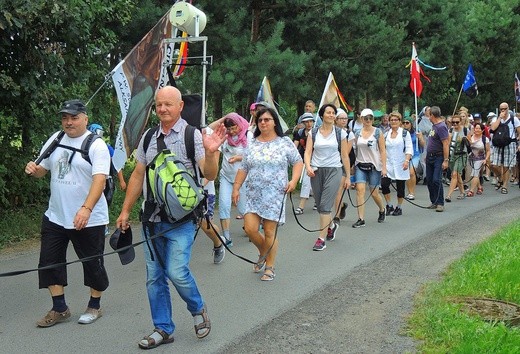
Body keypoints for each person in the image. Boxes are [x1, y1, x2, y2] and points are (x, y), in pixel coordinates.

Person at [116, 86, 226, 349]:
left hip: (182, 220)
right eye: (159, 105)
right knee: (154, 277)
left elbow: (209, 175)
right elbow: (138, 174)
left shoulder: (193, 136)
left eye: (168, 104)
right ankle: (163, 328)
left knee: (176, 272)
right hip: (151, 219)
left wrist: (211, 153)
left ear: (180, 107)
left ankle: (198, 309)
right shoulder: (148, 137)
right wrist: (125, 210)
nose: (163, 109)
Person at [25, 99, 110, 327]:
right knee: (49, 262)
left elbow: (99, 181)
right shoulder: (56, 139)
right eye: (65, 118)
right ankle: (60, 308)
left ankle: (94, 305)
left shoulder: (96, 145)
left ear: (85, 118)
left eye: (73, 117)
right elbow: (43, 170)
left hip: (88, 218)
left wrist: (86, 209)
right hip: (56, 215)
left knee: (92, 263)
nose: (68, 122)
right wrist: (34, 170)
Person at [232, 107, 303, 281]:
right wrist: (236, 187)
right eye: (260, 120)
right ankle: (264, 252)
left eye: (267, 119)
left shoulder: (284, 142)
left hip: (275, 194)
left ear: (274, 122)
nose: (263, 122)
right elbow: (244, 167)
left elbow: (298, 162)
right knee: (250, 229)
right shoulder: (252, 143)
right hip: (254, 194)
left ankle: (269, 267)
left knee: (270, 231)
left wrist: (293, 181)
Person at [305, 104, 350, 251]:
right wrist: (308, 166)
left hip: (334, 170)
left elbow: (344, 155)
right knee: (319, 204)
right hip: (317, 171)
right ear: (322, 115)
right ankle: (330, 226)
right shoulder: (314, 132)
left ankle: (321, 239)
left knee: (324, 205)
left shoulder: (340, 133)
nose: (331, 115)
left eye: (333, 113)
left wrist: (348, 176)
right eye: (328, 112)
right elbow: (307, 152)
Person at [208, 112, 252, 253]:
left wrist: (238, 157)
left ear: (240, 124)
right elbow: (208, 130)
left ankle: (251, 228)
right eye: (230, 129)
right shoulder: (224, 137)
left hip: (242, 178)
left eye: (234, 128)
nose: (232, 131)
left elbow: (252, 155)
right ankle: (226, 237)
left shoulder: (248, 135)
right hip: (226, 176)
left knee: (243, 207)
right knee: (224, 205)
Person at [352, 108, 387, 228]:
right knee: (360, 190)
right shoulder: (357, 133)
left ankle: (382, 209)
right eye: (365, 118)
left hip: (374, 166)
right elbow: (354, 150)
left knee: (374, 193)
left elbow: (383, 151)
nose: (368, 120)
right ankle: (361, 218)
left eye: (370, 118)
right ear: (361, 119)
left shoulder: (378, 132)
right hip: (360, 164)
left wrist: (384, 167)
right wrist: (352, 166)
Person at [381, 112, 413, 216]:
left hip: (401, 163)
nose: (394, 122)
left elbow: (409, 148)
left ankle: (399, 207)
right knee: (384, 184)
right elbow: (383, 150)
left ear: (399, 122)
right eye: (392, 120)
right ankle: (389, 205)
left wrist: (406, 160)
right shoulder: (386, 134)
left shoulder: (404, 133)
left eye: (396, 120)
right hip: (389, 163)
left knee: (400, 187)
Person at [489, 102, 520, 194]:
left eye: (505, 109)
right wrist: (499, 118)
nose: (503, 110)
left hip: (509, 143)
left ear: (508, 108)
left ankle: (505, 185)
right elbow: (493, 128)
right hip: (498, 143)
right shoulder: (496, 119)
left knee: (506, 166)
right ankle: (501, 178)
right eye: (501, 109)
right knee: (493, 165)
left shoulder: (514, 119)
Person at [425, 106, 450, 212]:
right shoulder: (434, 126)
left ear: (433, 115)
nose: (428, 117)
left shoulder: (441, 126)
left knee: (436, 179)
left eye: (429, 115)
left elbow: (445, 143)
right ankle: (434, 201)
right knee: (429, 180)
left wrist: (446, 159)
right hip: (430, 156)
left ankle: (440, 202)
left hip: (438, 157)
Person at [332, 108, 354, 224]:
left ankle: (336, 216)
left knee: (338, 190)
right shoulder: (330, 131)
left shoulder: (349, 134)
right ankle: (341, 206)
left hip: (341, 164)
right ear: (336, 119)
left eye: (346, 118)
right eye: (342, 118)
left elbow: (346, 152)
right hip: (330, 164)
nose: (344, 120)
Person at [293, 112, 315, 215]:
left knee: (317, 183)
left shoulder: (317, 132)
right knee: (306, 183)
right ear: (303, 123)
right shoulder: (300, 132)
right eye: (306, 122)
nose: (309, 124)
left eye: (311, 121)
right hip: (305, 160)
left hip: (317, 160)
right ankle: (301, 207)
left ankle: (318, 202)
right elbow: (294, 146)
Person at [444, 114, 469, 202]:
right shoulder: (450, 131)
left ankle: (448, 195)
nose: (455, 124)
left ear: (461, 122)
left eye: (457, 122)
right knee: (457, 175)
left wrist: (465, 139)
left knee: (454, 174)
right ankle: (462, 192)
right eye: (453, 122)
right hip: (452, 155)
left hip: (461, 155)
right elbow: (446, 145)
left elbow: (470, 143)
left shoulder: (465, 130)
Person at [403, 115, 425, 200]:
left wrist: (420, 138)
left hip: (415, 154)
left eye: (407, 123)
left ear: (411, 124)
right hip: (404, 154)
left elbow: (423, 144)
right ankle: (409, 191)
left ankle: (412, 192)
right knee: (407, 174)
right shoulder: (402, 133)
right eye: (404, 123)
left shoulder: (417, 132)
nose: (405, 124)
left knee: (411, 172)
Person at [467, 123, 491, 197]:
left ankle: (471, 191)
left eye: (479, 128)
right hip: (470, 158)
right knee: (474, 173)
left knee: (475, 174)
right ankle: (479, 187)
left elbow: (488, 151)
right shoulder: (470, 137)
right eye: (476, 128)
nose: (477, 130)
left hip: (480, 159)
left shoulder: (485, 139)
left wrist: (486, 159)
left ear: (482, 130)